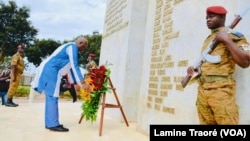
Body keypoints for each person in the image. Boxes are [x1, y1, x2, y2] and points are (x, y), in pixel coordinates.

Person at [186, 6, 250, 125]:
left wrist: (227, 40)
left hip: (221, 93)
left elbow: (245, 61)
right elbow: (206, 67)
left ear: (222, 18)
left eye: (211, 17)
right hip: (203, 93)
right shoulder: (208, 39)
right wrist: (194, 72)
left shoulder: (235, 36)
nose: (208, 20)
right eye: (206, 17)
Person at [32, 37, 90, 132]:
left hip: (52, 71)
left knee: (51, 96)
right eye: (85, 46)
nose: (85, 49)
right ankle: (53, 124)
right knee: (53, 96)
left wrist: (75, 83)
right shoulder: (72, 47)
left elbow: (70, 69)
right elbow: (74, 65)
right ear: (81, 43)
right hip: (51, 71)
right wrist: (83, 82)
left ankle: (50, 123)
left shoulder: (71, 48)